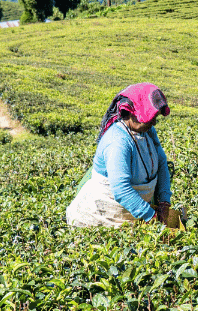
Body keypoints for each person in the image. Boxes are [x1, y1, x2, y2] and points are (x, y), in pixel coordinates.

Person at [66, 83, 173, 227]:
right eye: (150, 117)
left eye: (155, 117)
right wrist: (151, 216)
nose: (154, 122)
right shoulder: (118, 142)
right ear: (131, 112)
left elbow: (161, 163)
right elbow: (121, 189)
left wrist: (164, 202)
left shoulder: (147, 131)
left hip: (134, 214)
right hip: (104, 218)